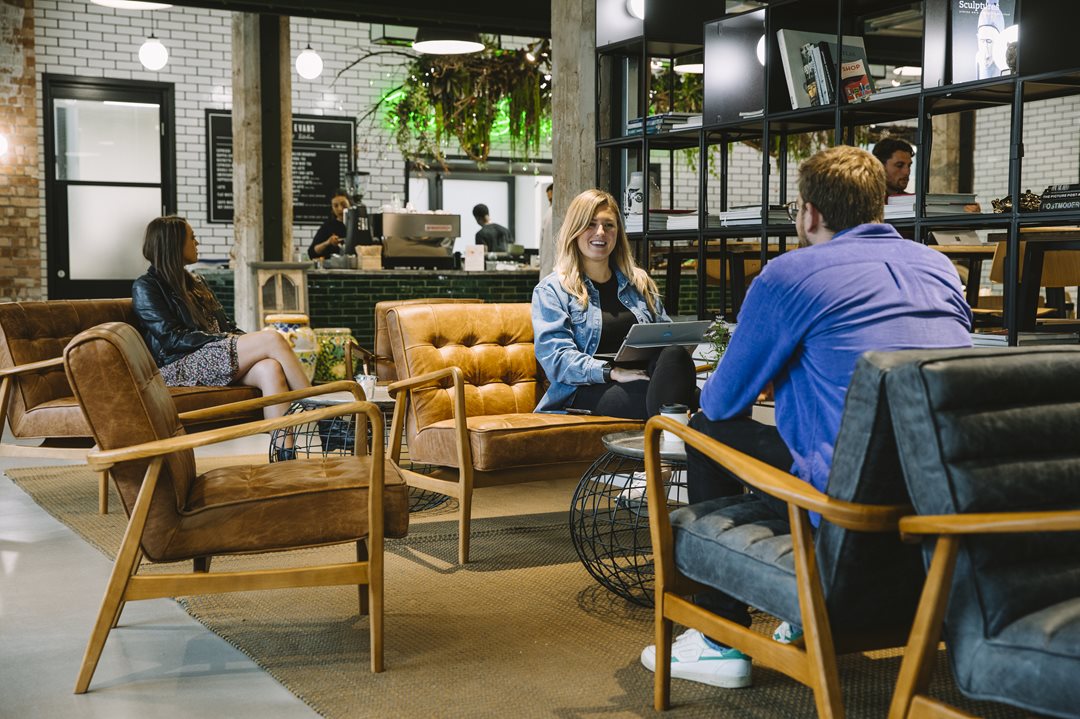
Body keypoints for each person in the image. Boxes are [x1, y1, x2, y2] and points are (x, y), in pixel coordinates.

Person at [639, 146, 973, 689]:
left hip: (845, 503)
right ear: (879, 207)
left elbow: (723, 402)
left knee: (703, 432)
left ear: (809, 214)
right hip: (944, 496)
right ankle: (791, 618)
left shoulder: (788, 274)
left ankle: (719, 638)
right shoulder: (939, 267)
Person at [132, 216, 313, 459]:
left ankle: (284, 457)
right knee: (273, 339)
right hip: (178, 366)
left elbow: (227, 325)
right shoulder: (147, 286)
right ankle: (322, 415)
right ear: (174, 244)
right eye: (192, 237)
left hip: (211, 354)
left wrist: (231, 339)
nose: (197, 243)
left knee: (270, 368)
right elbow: (170, 339)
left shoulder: (195, 283)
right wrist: (224, 340)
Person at [531, 188, 697, 420]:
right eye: (590, 224)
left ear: (618, 233)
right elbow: (557, 360)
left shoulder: (639, 283)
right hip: (584, 389)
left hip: (647, 379)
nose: (601, 232)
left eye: (609, 225)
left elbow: (666, 339)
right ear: (574, 230)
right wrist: (612, 372)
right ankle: (672, 445)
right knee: (681, 403)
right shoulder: (553, 290)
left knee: (676, 355)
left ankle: (667, 443)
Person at [308, 189, 351, 259]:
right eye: (336, 206)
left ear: (350, 204)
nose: (340, 209)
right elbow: (312, 252)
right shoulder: (327, 227)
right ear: (332, 209)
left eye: (343, 205)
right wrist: (328, 242)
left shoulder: (359, 224)